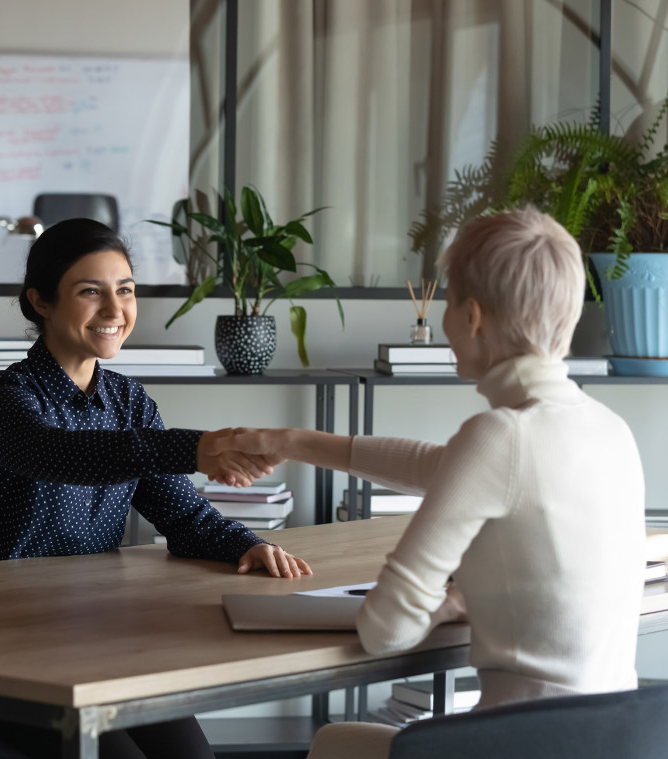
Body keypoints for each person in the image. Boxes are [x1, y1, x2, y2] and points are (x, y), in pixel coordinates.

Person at [206, 207, 646, 759]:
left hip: (518, 746)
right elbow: (439, 465)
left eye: (446, 300)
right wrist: (292, 441)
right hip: (613, 743)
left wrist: (449, 601)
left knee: (332, 742)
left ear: (473, 316)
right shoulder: (607, 429)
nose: (441, 318)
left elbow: (385, 630)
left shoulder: (500, 435)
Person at [0, 217, 311, 759]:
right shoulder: (6, 400)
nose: (114, 310)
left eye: (124, 290)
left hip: (96, 639)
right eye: (89, 292)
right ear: (41, 302)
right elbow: (58, 455)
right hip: (5, 652)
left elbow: (184, 516)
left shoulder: (127, 401)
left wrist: (248, 545)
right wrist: (193, 448)